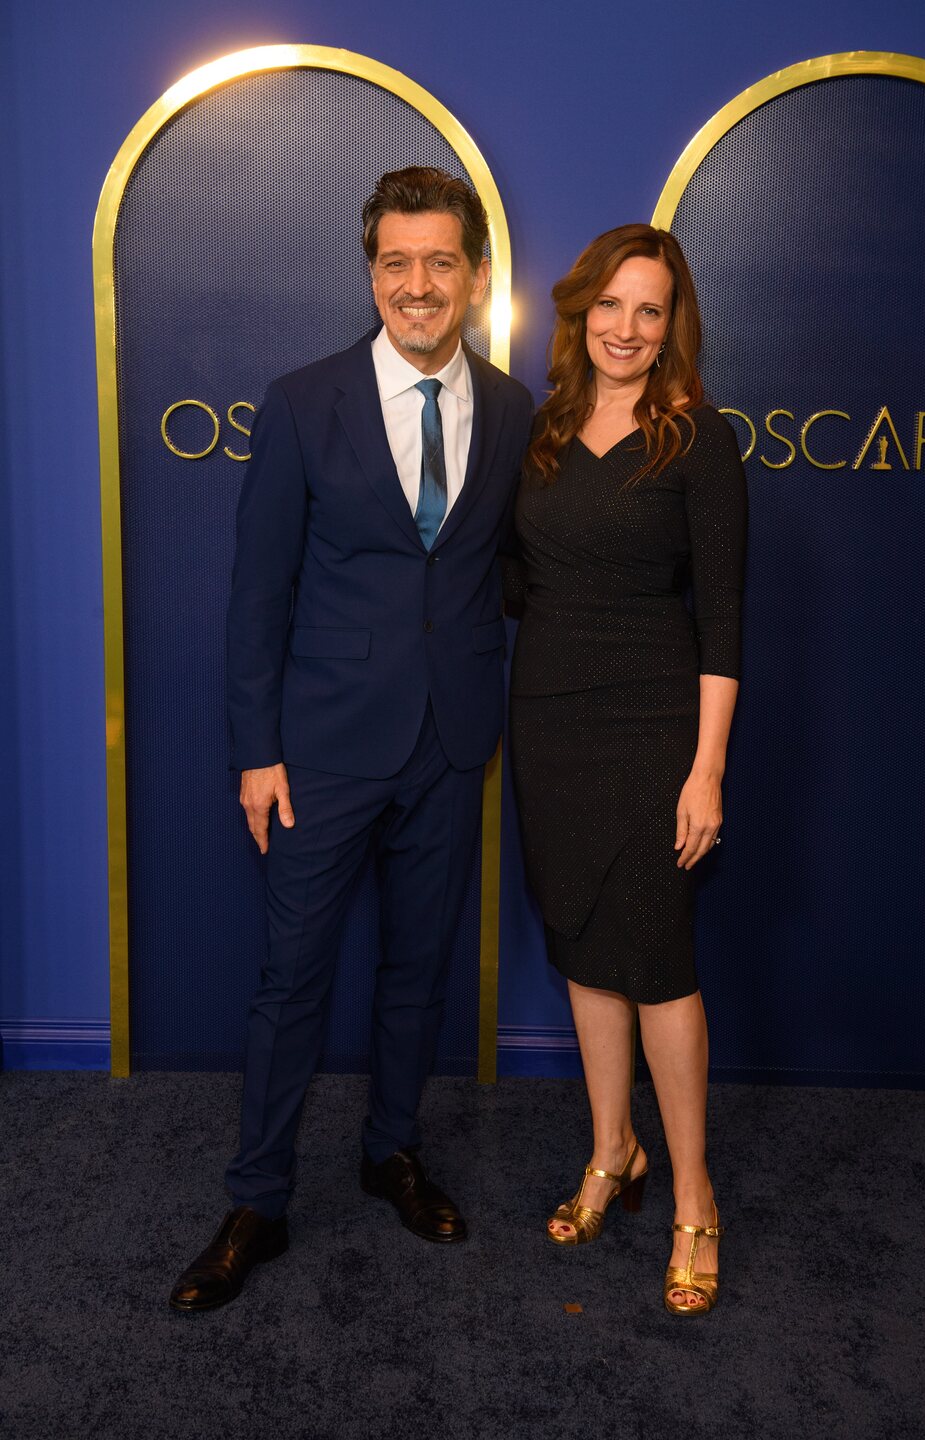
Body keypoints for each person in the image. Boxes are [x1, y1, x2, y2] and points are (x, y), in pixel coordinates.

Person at [169, 167, 532, 1312]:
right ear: (370, 271)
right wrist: (255, 751)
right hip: (319, 749)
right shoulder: (299, 401)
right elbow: (256, 595)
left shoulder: (516, 410)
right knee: (292, 982)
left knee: (417, 972)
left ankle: (390, 1152)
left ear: (473, 276)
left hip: (450, 739)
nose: (416, 286)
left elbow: (500, 570)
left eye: (439, 263)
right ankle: (259, 1201)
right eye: (394, 263)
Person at [509, 224, 746, 1314]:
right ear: (580, 311)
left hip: (654, 726)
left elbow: (727, 626)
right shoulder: (546, 428)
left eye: (650, 311)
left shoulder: (698, 440)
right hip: (548, 723)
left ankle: (693, 1188)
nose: (626, 328)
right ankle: (614, 1150)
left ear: (672, 326)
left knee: (657, 958)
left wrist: (705, 771)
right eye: (610, 305)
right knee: (582, 947)